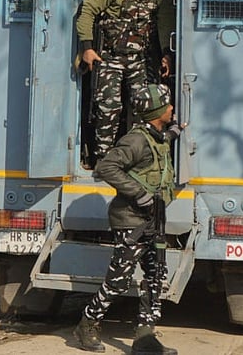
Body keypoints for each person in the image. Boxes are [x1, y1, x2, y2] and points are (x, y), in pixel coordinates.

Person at [73, 83, 182, 355]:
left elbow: (157, 147)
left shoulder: (155, 135)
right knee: (119, 280)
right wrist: (139, 194)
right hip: (132, 221)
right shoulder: (135, 139)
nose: (171, 108)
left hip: (153, 219)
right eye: (167, 105)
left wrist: (173, 134)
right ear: (156, 111)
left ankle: (145, 339)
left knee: (156, 277)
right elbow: (106, 166)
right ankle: (87, 323)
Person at [76, 0, 176, 165]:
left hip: (141, 58)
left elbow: (165, 22)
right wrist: (87, 47)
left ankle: (137, 158)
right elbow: (87, 12)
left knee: (146, 108)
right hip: (109, 57)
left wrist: (167, 54)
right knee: (108, 107)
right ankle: (103, 160)